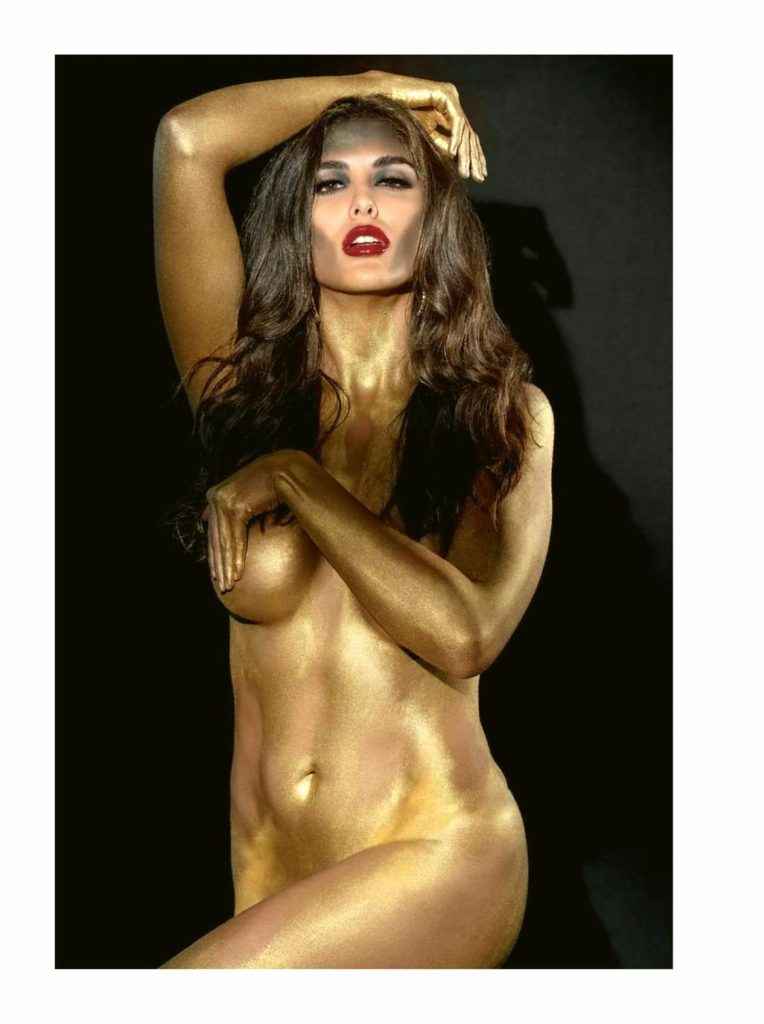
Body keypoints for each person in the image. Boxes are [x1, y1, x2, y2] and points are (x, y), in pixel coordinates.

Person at [152, 68, 554, 968]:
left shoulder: (499, 417)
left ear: (436, 215)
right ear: (296, 222)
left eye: (394, 178)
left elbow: (466, 634)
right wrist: (375, 85)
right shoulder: (244, 400)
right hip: (275, 873)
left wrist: (299, 480)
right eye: (331, 183)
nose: (362, 201)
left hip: (439, 851)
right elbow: (186, 141)